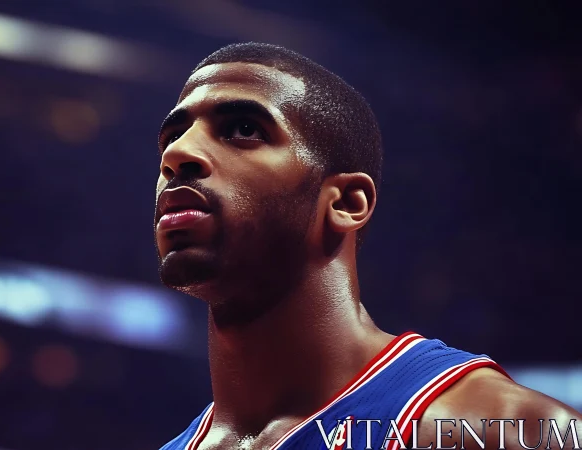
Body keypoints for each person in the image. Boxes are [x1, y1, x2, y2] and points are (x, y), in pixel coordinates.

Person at [154, 42, 579, 450]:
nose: (178, 153)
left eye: (243, 129)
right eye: (173, 135)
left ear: (345, 203)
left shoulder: (501, 429)